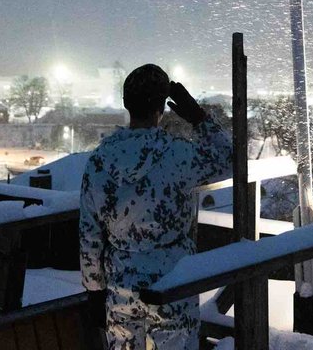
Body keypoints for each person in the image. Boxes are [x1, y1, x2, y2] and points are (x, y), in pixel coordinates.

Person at [79, 64, 232, 350]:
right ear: (163, 105)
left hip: (121, 287)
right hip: (173, 282)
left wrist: (94, 291)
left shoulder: (99, 161)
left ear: (126, 104)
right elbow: (228, 159)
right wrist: (197, 117)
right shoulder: (177, 154)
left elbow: (90, 234)